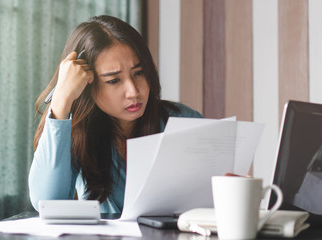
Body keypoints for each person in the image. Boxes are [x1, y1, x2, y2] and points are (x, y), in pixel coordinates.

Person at [28, 15, 203, 214]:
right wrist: (61, 100)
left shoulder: (185, 122)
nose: (133, 91)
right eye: (113, 80)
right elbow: (47, 202)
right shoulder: (77, 133)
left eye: (139, 73)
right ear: (87, 84)